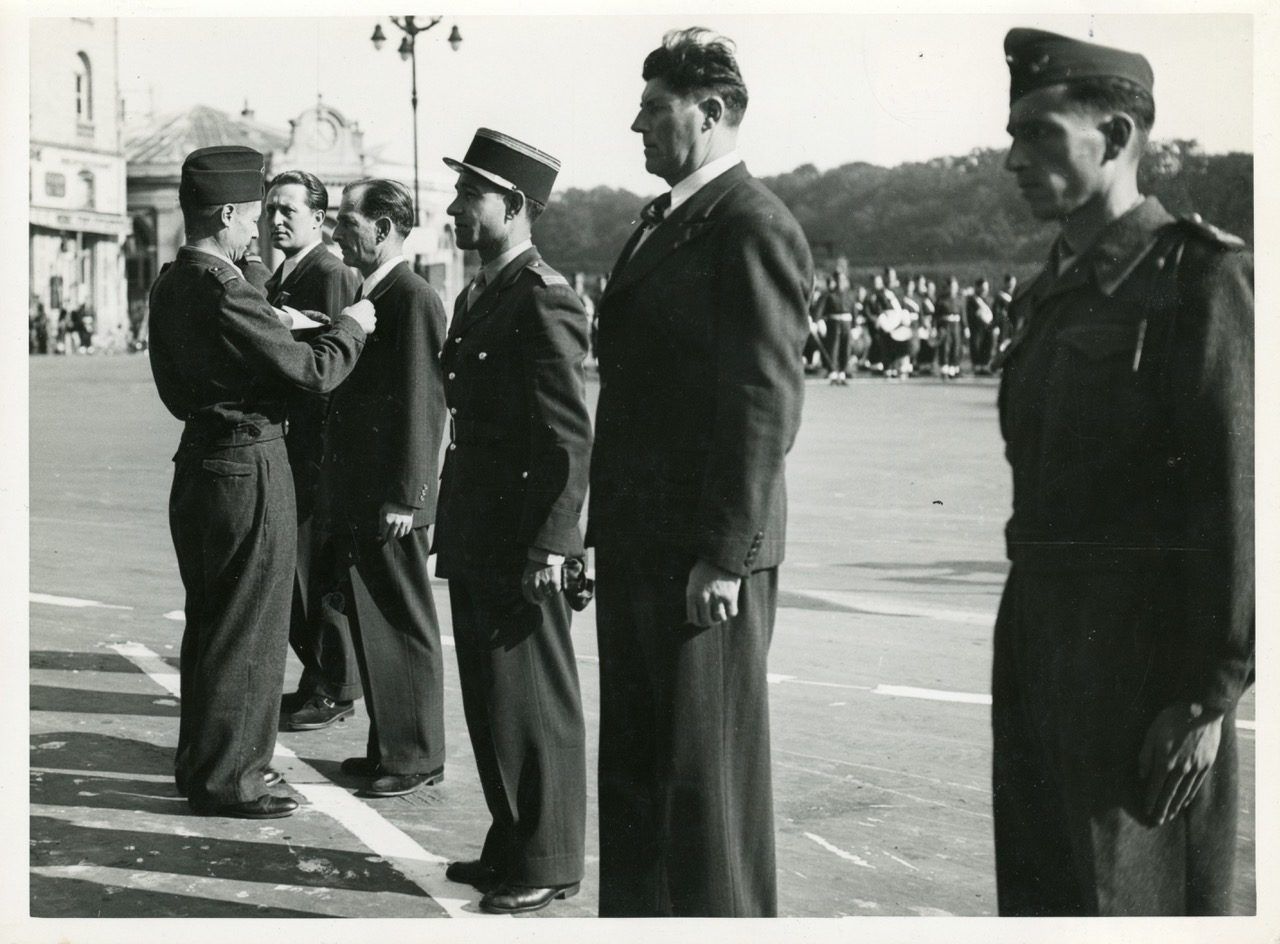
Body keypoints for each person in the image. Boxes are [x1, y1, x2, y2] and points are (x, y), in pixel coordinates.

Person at [993, 28, 1253, 915]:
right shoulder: (1052, 290)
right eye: (1013, 135)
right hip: (1036, 641)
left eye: (1040, 134)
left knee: (1130, 900)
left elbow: (1239, 498)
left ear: (1113, 138)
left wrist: (1208, 697)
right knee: (1044, 894)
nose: (1014, 158)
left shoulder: (1197, 280)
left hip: (1141, 668)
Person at [589, 27, 811, 917]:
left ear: (711, 112)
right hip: (645, 544)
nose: (635, 123)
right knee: (642, 773)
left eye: (653, 108)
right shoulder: (664, 221)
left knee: (704, 784)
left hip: (699, 556)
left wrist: (724, 554)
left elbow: (763, 401)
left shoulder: (752, 225)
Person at [147, 145, 375, 818]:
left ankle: (203, 764)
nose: (256, 231)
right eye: (250, 216)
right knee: (251, 627)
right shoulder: (223, 288)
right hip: (249, 465)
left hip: (199, 461)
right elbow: (314, 373)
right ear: (226, 213)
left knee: (211, 623)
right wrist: (353, 329)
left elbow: (174, 383)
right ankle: (234, 779)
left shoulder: (171, 281)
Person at [435, 128, 593, 916]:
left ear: (517, 207)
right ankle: (512, 840)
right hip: (478, 526)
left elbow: (567, 434)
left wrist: (554, 543)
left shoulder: (545, 298)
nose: (457, 208)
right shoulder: (481, 293)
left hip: (520, 534)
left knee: (532, 699)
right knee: (492, 696)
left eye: (472, 195)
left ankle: (550, 857)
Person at [326, 178, 449, 798]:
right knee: (376, 620)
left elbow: (424, 406)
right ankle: (389, 745)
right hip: (365, 492)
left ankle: (416, 753)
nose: (338, 229)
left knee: (402, 621)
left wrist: (409, 495)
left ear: (384, 227)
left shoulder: (413, 298)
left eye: (349, 220)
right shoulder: (371, 291)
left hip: (393, 500)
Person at [263, 169, 365, 732]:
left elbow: (334, 365)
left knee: (316, 569)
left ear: (319, 220)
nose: (276, 219)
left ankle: (335, 685)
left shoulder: (326, 274)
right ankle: (318, 678)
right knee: (301, 570)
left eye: (289, 211)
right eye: (271, 209)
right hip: (297, 443)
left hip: (317, 449)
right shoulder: (290, 273)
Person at [820, 270, 857, 384]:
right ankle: (833, 370)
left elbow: (853, 311)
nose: (840, 282)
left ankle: (843, 370)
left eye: (842, 280)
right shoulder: (829, 295)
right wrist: (818, 321)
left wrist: (855, 326)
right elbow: (821, 309)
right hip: (833, 323)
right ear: (835, 281)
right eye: (838, 280)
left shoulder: (850, 295)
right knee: (833, 347)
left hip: (846, 323)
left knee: (845, 347)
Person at [936, 276, 964, 378]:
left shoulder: (959, 299)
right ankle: (944, 368)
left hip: (956, 325)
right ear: (947, 287)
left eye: (955, 287)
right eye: (951, 287)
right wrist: (937, 327)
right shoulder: (941, 299)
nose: (953, 289)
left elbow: (962, 314)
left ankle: (953, 368)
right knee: (945, 346)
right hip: (945, 325)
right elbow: (937, 314)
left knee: (955, 346)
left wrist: (965, 327)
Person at [965, 276, 994, 374]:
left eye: (986, 289)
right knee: (976, 345)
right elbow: (969, 313)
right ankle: (977, 366)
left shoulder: (989, 299)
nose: (984, 291)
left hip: (988, 327)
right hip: (976, 327)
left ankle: (985, 366)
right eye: (982, 288)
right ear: (977, 288)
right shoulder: (972, 300)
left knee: (987, 345)